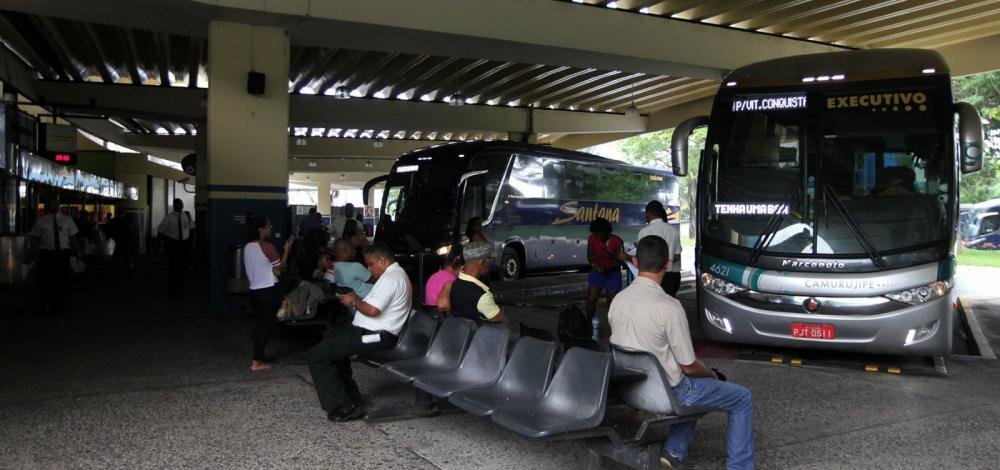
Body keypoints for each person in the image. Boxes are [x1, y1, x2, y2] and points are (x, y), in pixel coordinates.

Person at [609, 235, 754, 469]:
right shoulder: (669, 307)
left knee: (699, 387)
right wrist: (711, 374)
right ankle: (741, 466)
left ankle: (674, 453)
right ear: (667, 264)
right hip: (667, 394)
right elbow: (689, 366)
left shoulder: (618, 300)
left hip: (632, 390)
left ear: (635, 261)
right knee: (740, 397)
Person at [309, 242, 412, 422]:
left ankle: (343, 406)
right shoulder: (392, 275)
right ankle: (350, 396)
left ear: (383, 260)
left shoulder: (391, 279)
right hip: (366, 330)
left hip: (378, 336)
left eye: (371, 264)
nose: (369, 269)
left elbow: (373, 311)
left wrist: (354, 301)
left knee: (317, 356)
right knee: (331, 340)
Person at [244, 213, 293, 371]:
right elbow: (279, 271)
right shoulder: (268, 247)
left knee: (259, 325)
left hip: (254, 291)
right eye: (268, 225)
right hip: (268, 291)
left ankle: (259, 357)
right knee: (265, 326)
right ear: (261, 229)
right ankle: (257, 361)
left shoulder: (247, 247)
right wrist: (286, 250)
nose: (271, 227)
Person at [29, 195, 80, 314]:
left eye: (57, 204)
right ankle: (43, 304)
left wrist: (78, 253)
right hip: (46, 254)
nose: (55, 206)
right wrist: (32, 254)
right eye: (53, 204)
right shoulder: (41, 221)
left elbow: (73, 238)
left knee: (60, 279)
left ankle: (58, 304)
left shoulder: (67, 220)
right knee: (44, 280)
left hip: (62, 253)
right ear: (49, 206)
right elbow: (36, 239)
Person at [448, 241, 505, 324]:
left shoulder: (456, 283)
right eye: (490, 259)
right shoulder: (481, 295)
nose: (491, 263)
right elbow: (501, 322)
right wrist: (503, 311)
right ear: (482, 262)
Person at [638, 200, 682, 297]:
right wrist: (666, 259)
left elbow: (643, 258)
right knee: (668, 307)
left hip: (653, 276)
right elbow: (677, 257)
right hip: (672, 278)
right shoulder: (674, 231)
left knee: (652, 307)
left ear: (648, 213)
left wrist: (627, 257)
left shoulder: (645, 232)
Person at [585, 217, 625, 322]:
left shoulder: (617, 241)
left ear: (607, 232)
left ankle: (615, 326)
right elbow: (589, 257)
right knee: (591, 299)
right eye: (596, 234)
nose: (598, 237)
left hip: (613, 273)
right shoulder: (592, 239)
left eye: (600, 234)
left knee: (611, 302)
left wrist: (607, 267)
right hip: (597, 272)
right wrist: (595, 265)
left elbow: (620, 260)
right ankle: (590, 325)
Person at [157, 198, 193, 299]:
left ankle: (179, 292)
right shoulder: (169, 218)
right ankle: (170, 291)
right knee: (173, 270)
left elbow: (191, 230)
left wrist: (192, 245)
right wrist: (158, 247)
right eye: (178, 204)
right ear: (174, 206)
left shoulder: (187, 215)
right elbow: (160, 231)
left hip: (184, 246)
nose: (180, 206)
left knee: (183, 270)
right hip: (174, 246)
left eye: (181, 204)